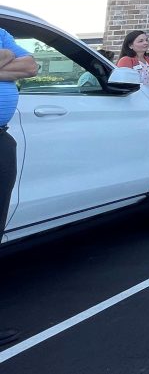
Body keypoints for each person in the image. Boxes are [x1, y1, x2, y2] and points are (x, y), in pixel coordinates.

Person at [0, 28, 38, 346]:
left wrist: (10, 56)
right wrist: (6, 57)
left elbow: (31, 67)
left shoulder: (1, 32)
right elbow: (16, 61)